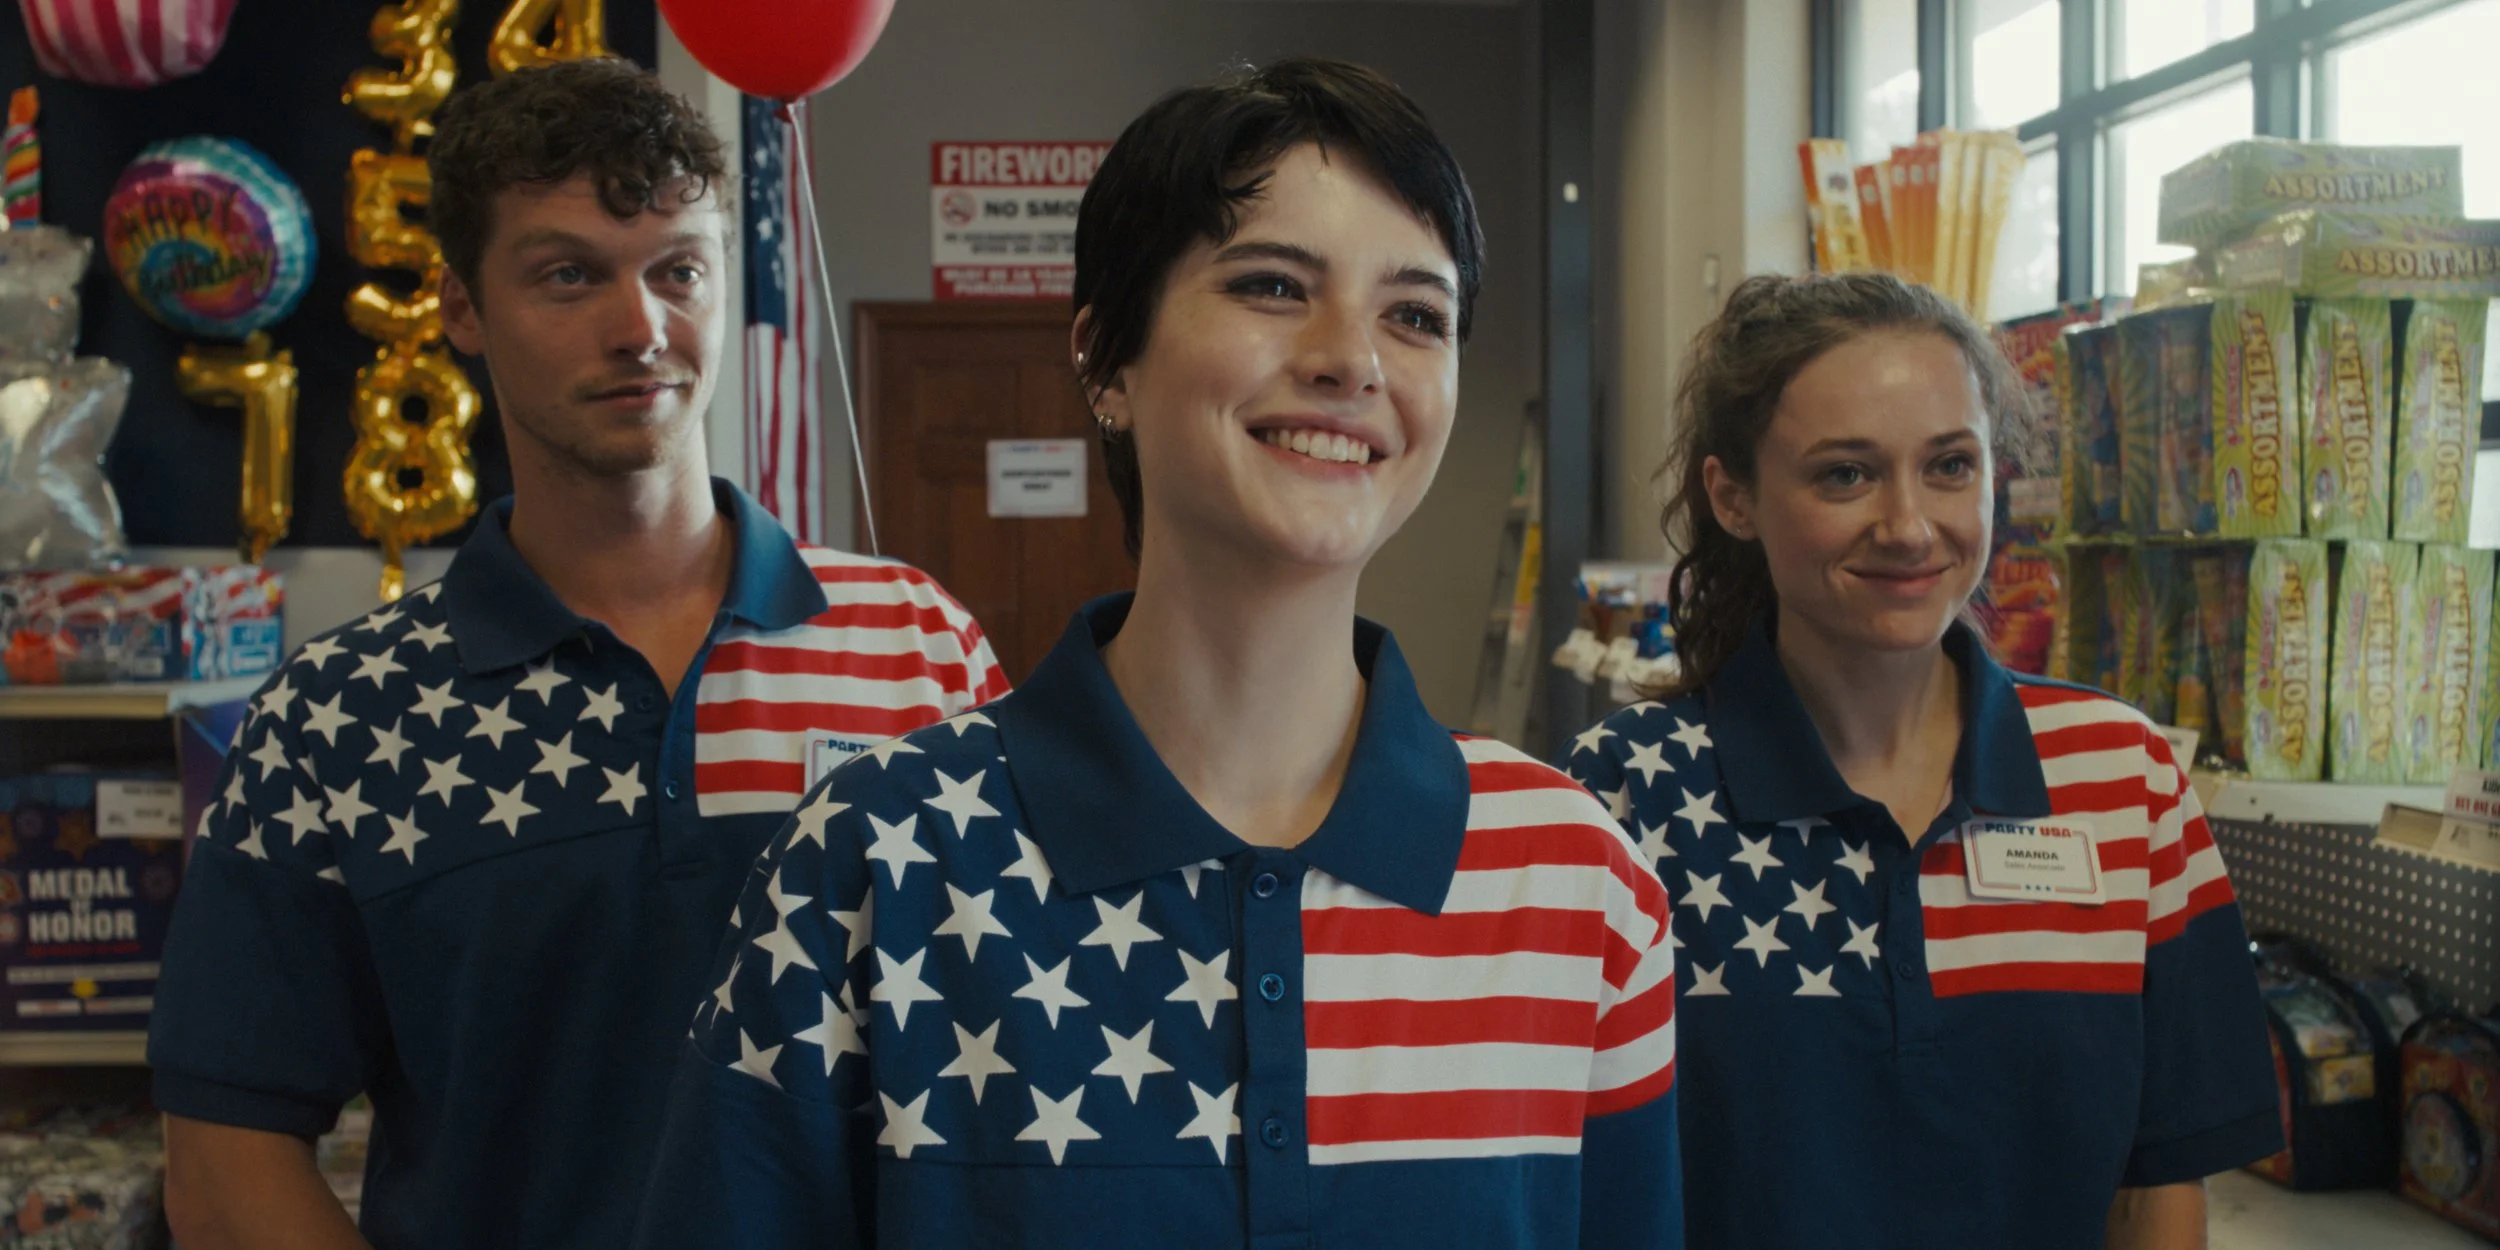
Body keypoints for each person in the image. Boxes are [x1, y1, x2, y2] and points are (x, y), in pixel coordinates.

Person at [630, 57, 1682, 1249]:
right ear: (1103, 358)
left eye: (1416, 313)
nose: (1355, 358)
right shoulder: (876, 861)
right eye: (1273, 284)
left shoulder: (1576, 880)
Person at [146, 58, 1007, 1250]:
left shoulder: (919, 649)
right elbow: (225, 1159)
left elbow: (1025, 1061)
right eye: (568, 275)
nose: (640, 327)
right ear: (460, 306)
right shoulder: (341, 715)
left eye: (678, 271)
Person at [1561, 272, 2281, 1250]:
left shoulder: (2124, 778)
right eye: (1843, 474)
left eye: (1948, 465)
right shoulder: (1623, 795)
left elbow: (2159, 1181)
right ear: (1731, 495)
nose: (1907, 525)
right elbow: (1573, 1179)